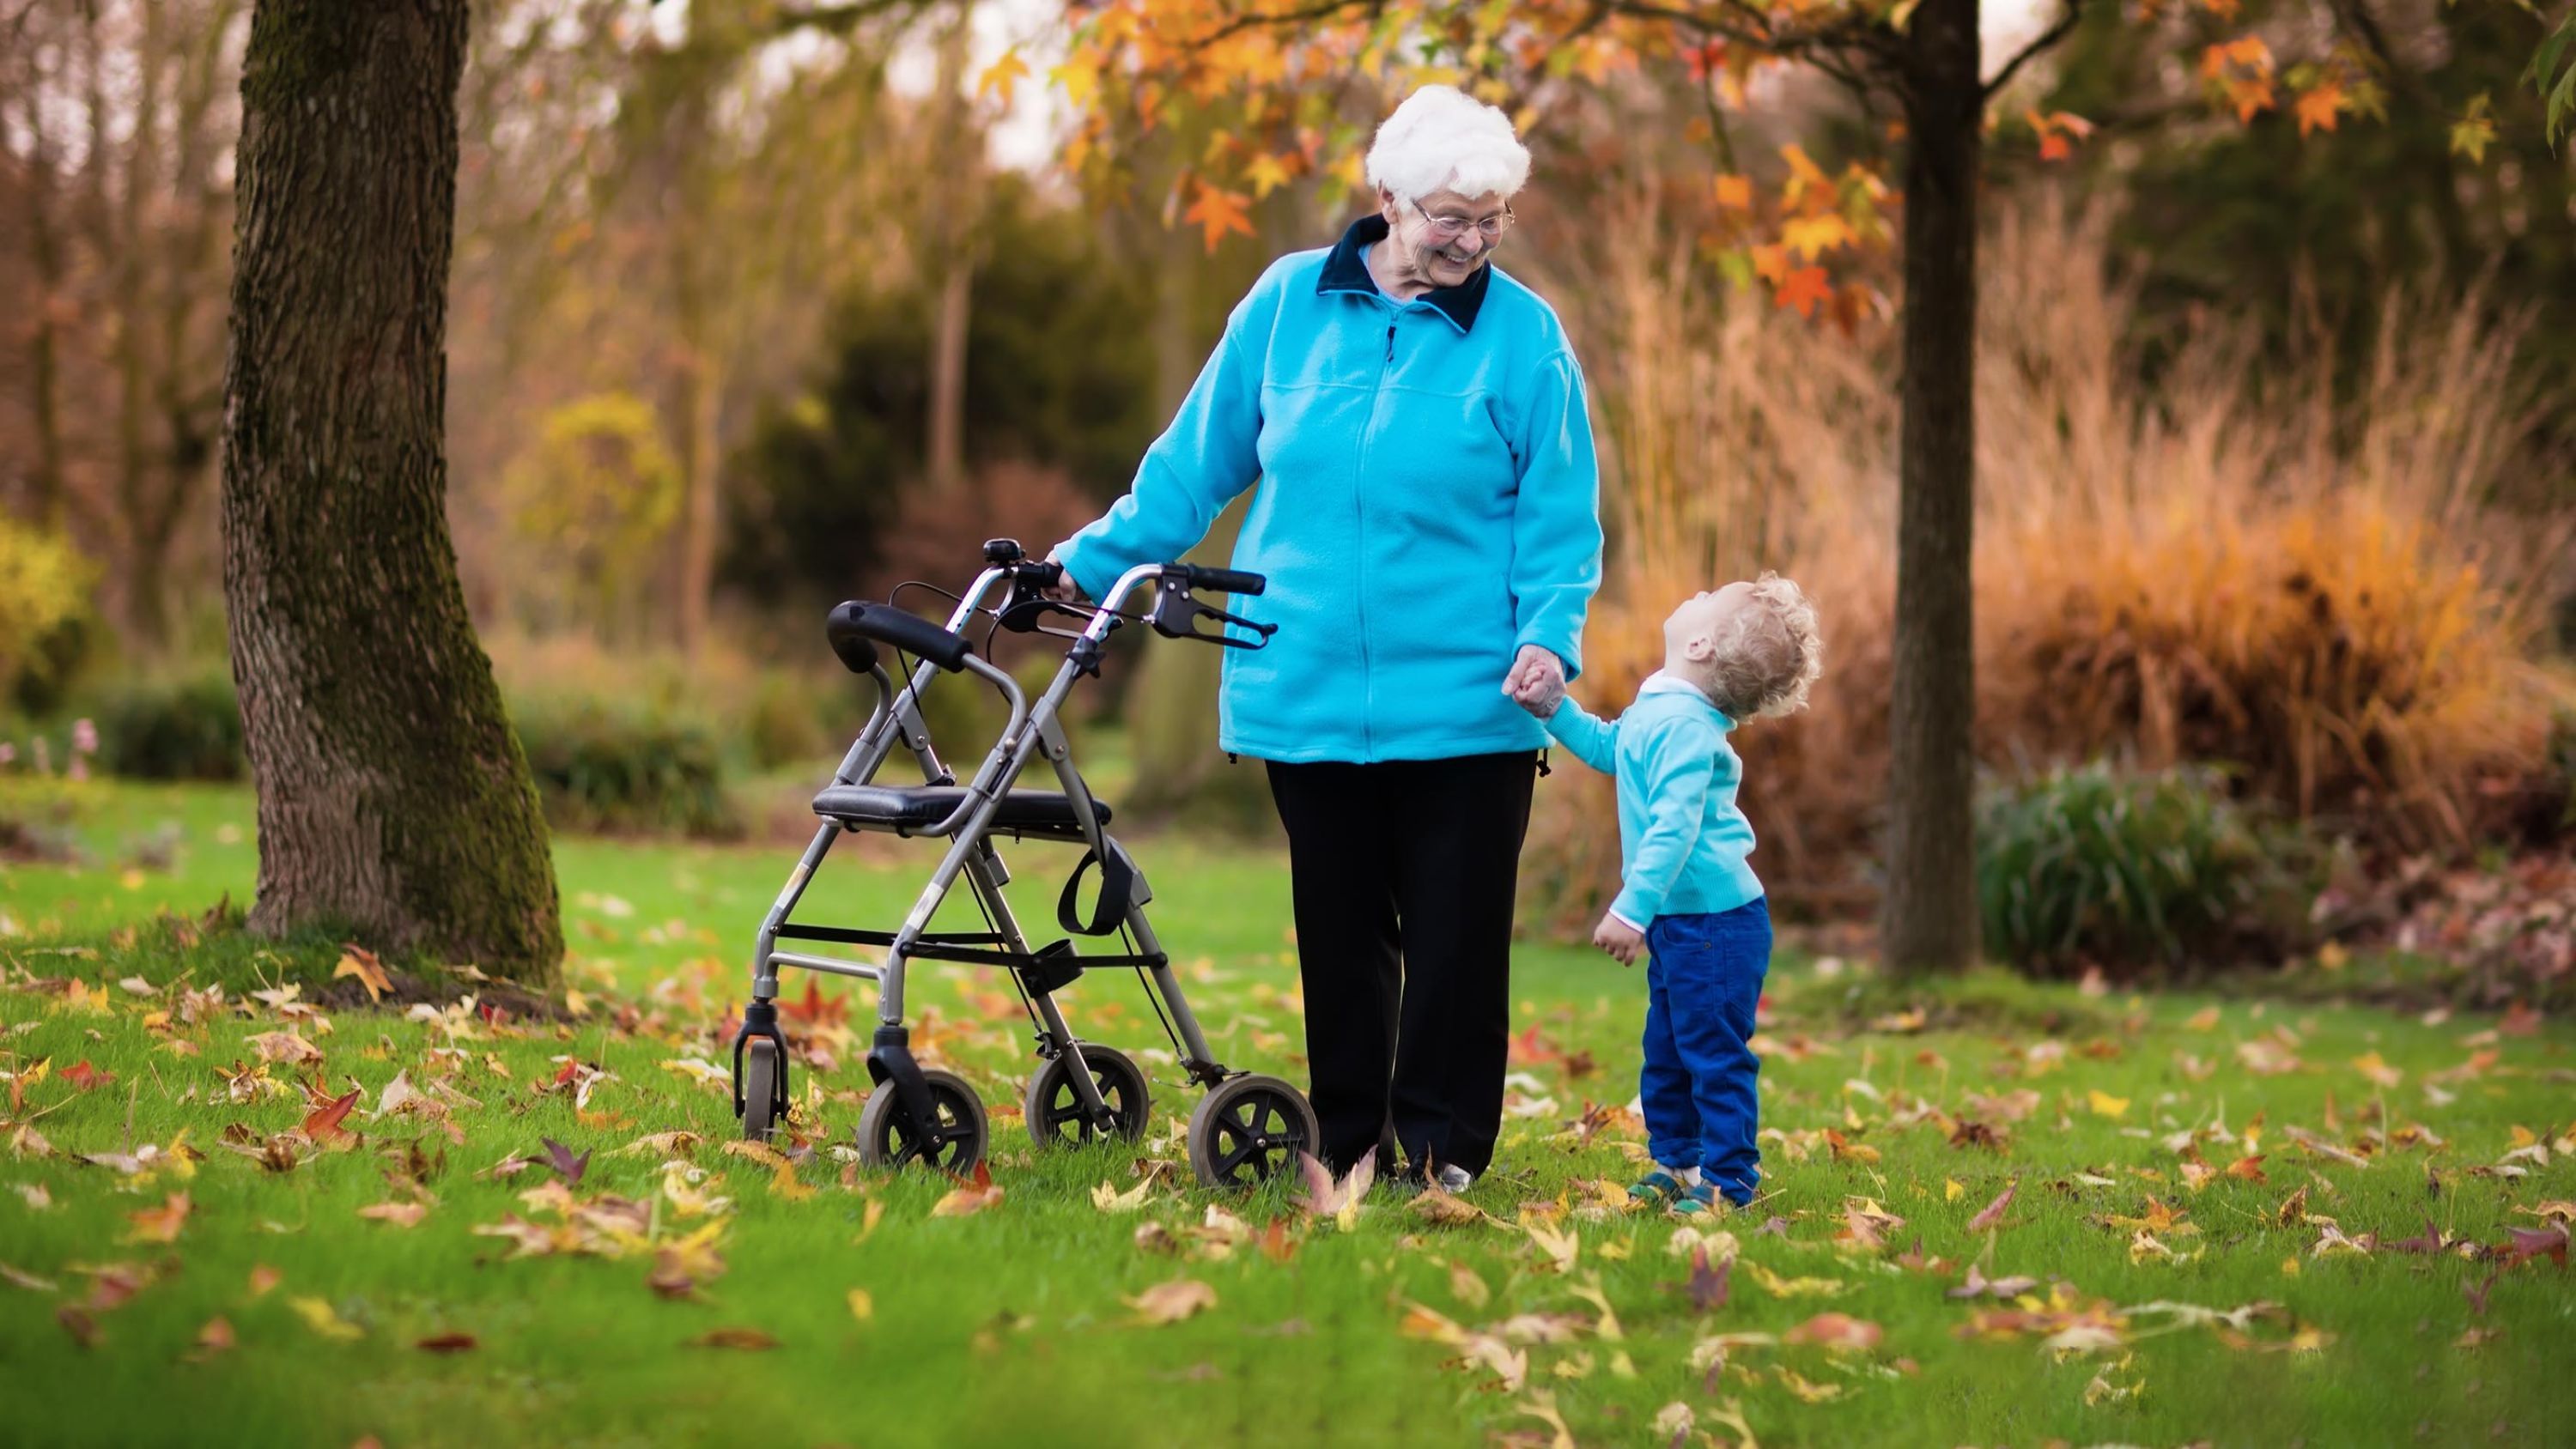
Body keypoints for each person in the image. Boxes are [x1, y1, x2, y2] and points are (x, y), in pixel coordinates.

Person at [1043, 85, 1602, 1189]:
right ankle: (1346, 1144)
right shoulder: (1288, 302)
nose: (1472, 240)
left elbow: (1560, 511)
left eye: (1493, 218)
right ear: (1385, 196)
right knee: (1340, 938)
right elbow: (1194, 463)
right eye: (1451, 215)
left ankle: (1439, 1156)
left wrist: (1552, 632)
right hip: (1300, 683)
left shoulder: (1524, 337)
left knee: (1453, 945)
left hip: (1467, 698)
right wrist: (1088, 562)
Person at [1534, 574, 1822, 1215]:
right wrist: (1557, 709)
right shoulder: (1662, 706)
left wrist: (1630, 909)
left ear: (1699, 644)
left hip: (1716, 926)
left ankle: (1728, 1183)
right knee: (1665, 1051)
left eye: (1707, 599)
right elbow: (1614, 749)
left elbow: (1675, 827)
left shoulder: (1689, 730)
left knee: (1713, 1056)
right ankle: (1678, 1163)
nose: (1693, 594)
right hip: (1685, 922)